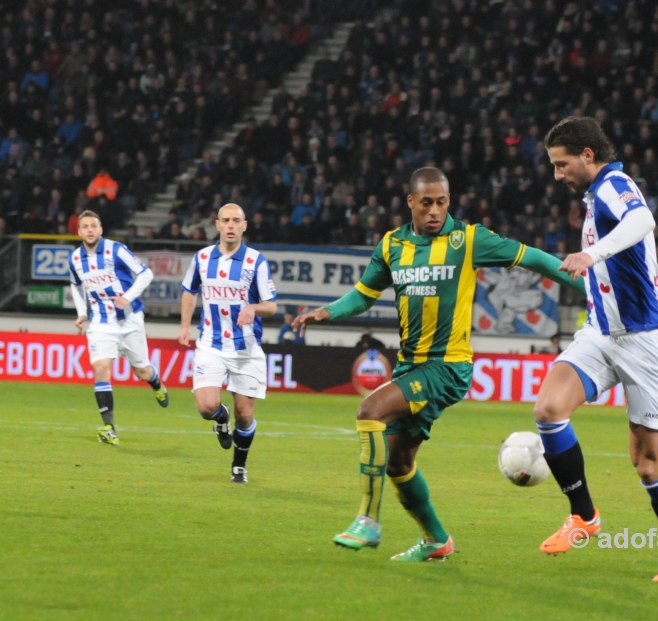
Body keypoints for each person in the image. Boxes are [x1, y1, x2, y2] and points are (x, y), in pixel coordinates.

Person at [292, 167, 585, 562]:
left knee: (369, 410)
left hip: (447, 367)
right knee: (398, 462)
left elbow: (535, 260)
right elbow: (364, 295)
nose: (434, 211)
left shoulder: (469, 239)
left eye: (441, 202)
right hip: (410, 366)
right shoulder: (392, 244)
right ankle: (436, 540)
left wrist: (593, 290)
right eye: (426, 202)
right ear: (410, 202)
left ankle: (368, 520)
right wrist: (326, 312)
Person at [536, 116, 658, 582]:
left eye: (562, 164)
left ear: (588, 155)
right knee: (549, 409)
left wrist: (593, 254)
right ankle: (584, 516)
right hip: (601, 334)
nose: (557, 174)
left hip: (646, 343)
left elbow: (643, 219)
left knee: (647, 466)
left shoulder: (614, 183)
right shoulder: (593, 196)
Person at [178, 203, 277, 483]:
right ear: (218, 225)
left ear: (244, 226)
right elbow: (189, 292)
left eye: (236, 220)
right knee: (207, 407)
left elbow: (271, 305)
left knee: (245, 414)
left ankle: (239, 466)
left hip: (245, 347)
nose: (231, 225)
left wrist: (253, 309)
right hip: (211, 342)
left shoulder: (255, 261)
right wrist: (185, 326)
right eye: (226, 220)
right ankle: (221, 421)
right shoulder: (202, 258)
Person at [68, 210, 169, 445]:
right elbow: (76, 285)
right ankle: (108, 427)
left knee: (142, 371)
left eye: (94, 225)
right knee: (101, 368)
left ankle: (156, 383)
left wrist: (128, 297)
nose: (90, 230)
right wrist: (82, 313)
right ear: (79, 231)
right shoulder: (75, 259)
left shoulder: (116, 250)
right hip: (101, 323)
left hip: (129, 320)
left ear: (101, 229)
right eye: (85, 226)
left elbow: (146, 274)